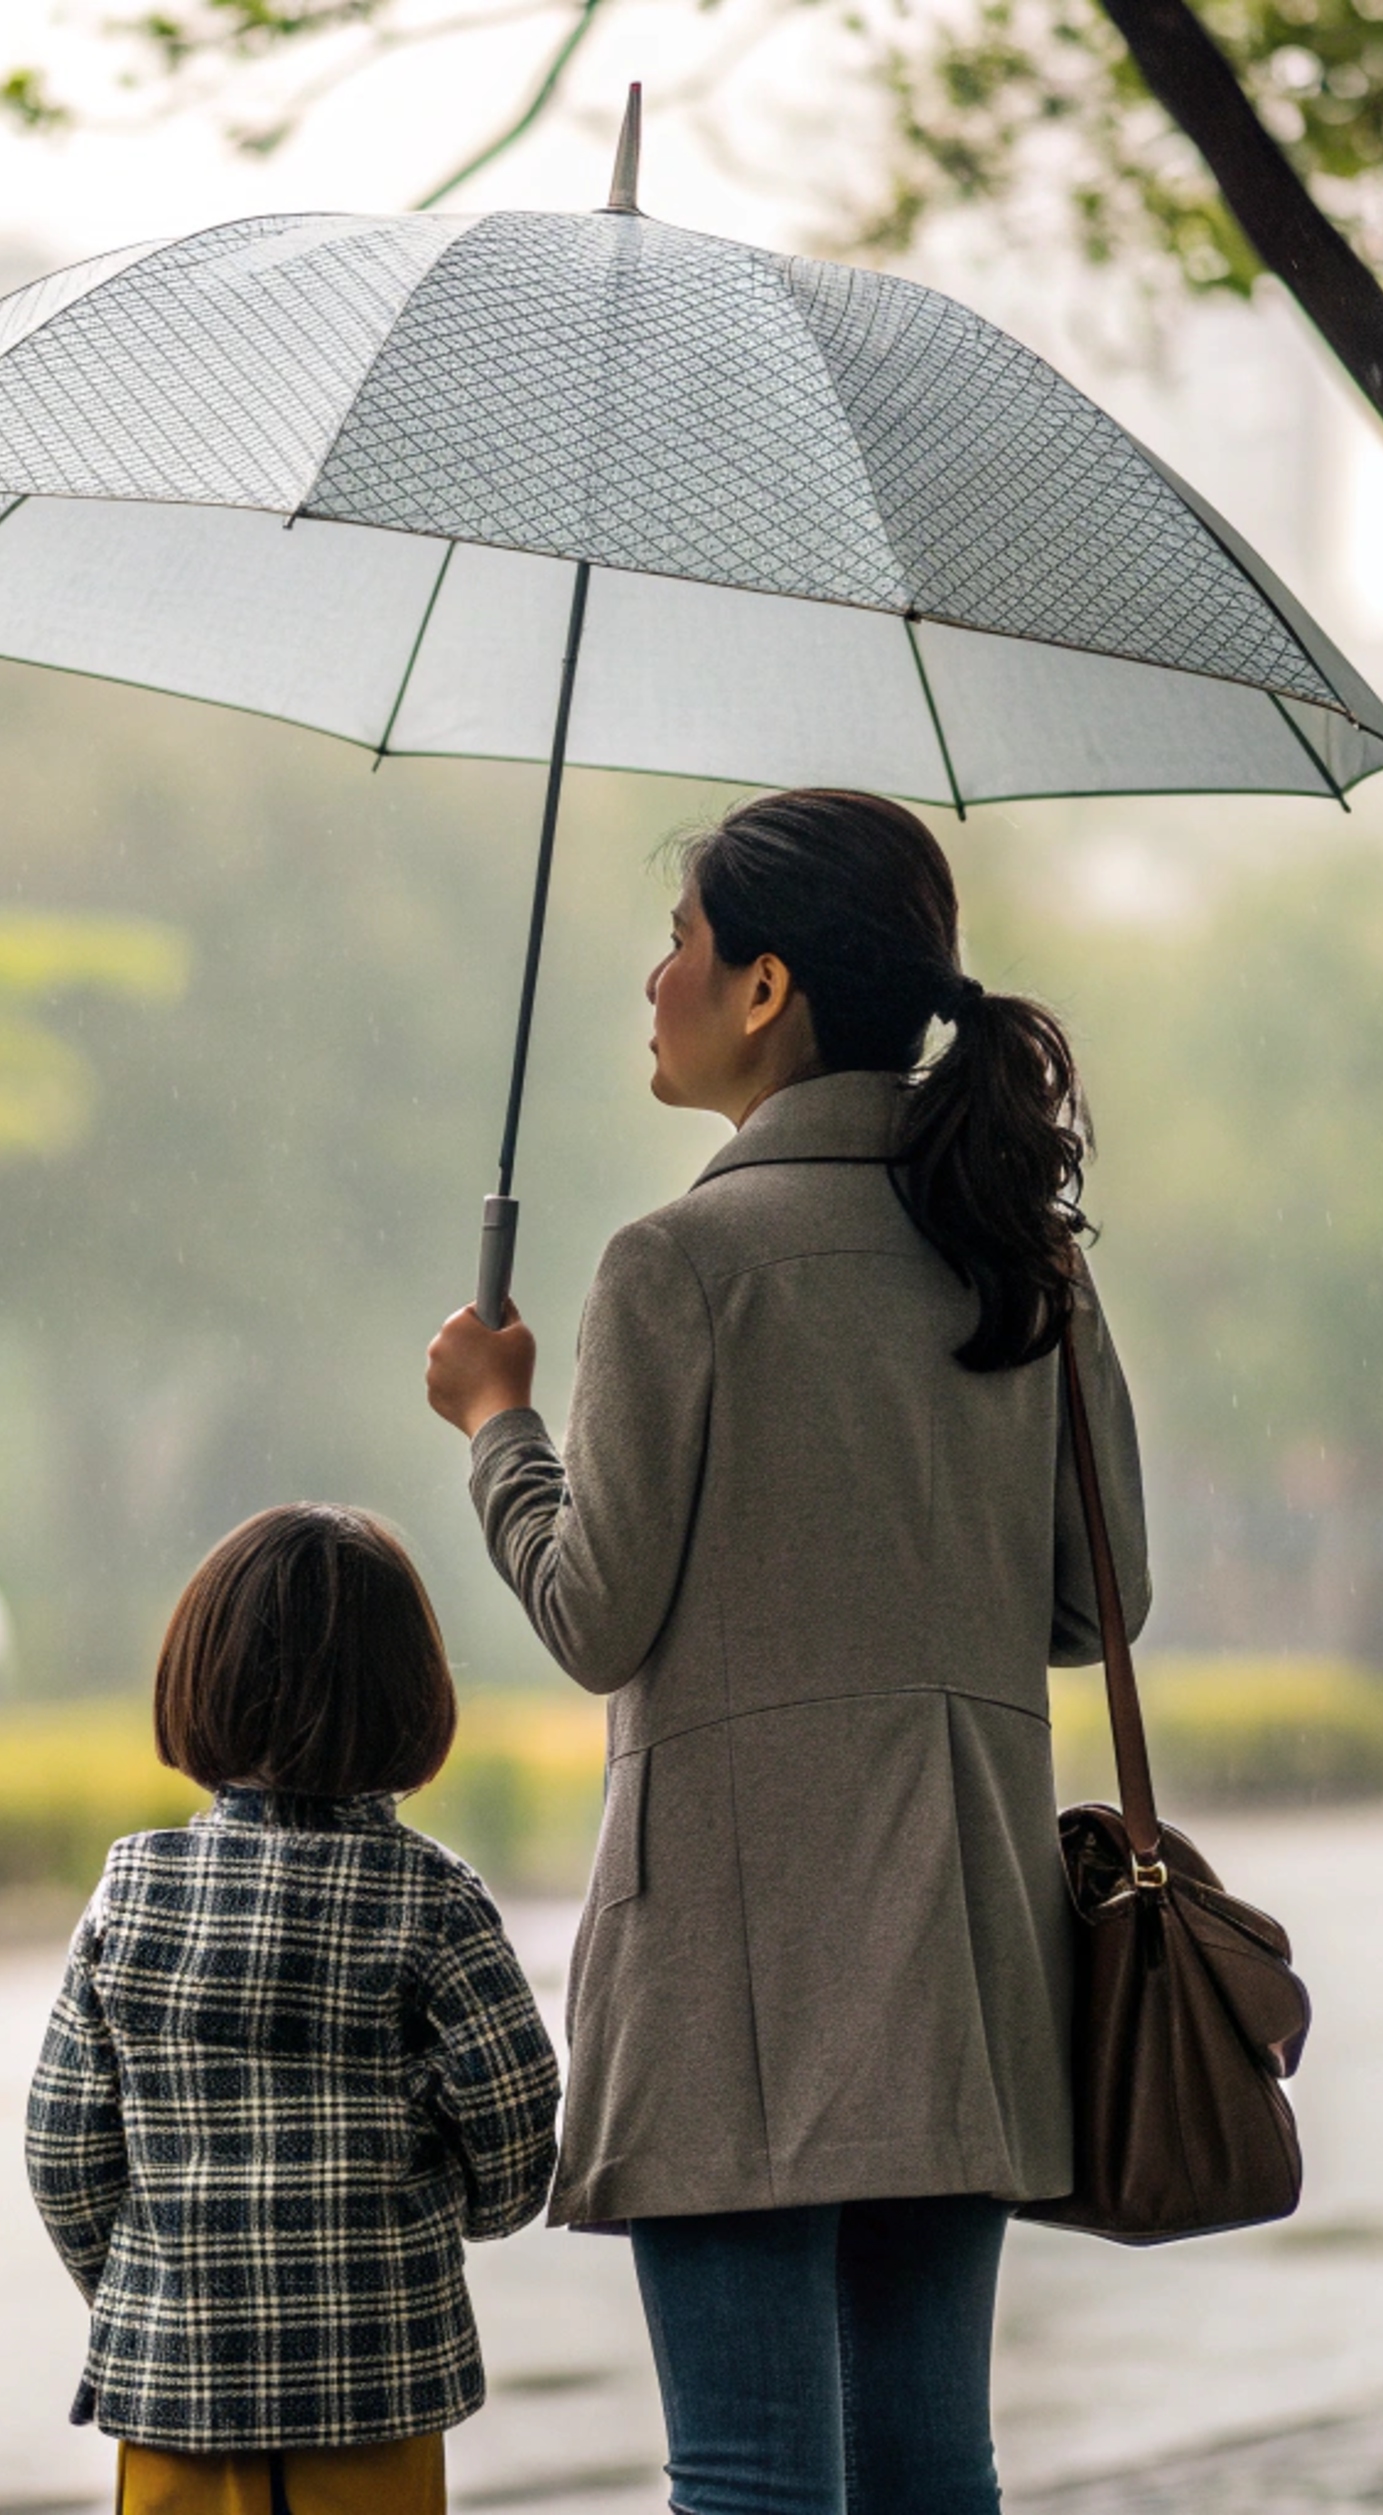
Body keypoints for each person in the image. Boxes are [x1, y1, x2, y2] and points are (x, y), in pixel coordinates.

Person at [423, 789, 1149, 2515]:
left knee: (750, 2474)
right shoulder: (1018, 1259)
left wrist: (497, 1424)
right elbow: (1091, 1606)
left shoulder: (677, 1266)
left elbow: (594, 1614)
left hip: (728, 1977)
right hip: (962, 1956)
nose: (653, 978)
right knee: (927, 2466)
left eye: (679, 940)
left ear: (764, 989)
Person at [25, 1502, 561, 2515]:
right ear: (410, 1696)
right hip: (377, 2384)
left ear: (197, 1679)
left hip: (178, 2391)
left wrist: (152, 2290)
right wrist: (452, 2214)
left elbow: (64, 2153)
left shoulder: (131, 1893)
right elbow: (517, 2135)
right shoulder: (433, 1900)